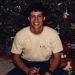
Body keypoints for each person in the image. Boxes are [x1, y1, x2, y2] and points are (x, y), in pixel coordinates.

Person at [7, 1, 68, 75]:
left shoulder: (53, 34)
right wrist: (27, 70)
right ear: (29, 18)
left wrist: (50, 71)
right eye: (33, 16)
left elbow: (57, 58)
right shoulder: (20, 35)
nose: (36, 20)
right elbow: (16, 58)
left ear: (43, 18)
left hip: (46, 64)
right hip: (26, 63)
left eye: (39, 16)